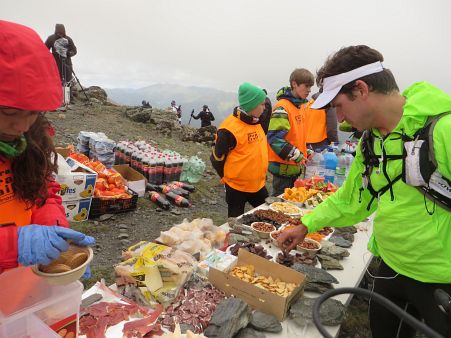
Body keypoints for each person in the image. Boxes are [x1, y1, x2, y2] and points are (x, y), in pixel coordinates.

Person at [277, 45, 451, 338]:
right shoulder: (369, 142)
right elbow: (353, 200)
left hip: (442, 280)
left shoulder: (443, 129)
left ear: (360, 89)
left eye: (339, 106)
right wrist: (306, 224)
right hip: (391, 269)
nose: (341, 119)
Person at [0, 20, 94, 273]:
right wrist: (13, 245)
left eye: (32, 113)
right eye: (9, 111)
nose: (21, 125)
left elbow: (42, 190)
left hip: (20, 278)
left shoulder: (30, 138)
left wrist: (52, 229)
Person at [210, 83, 268, 217]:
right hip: (236, 188)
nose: (265, 108)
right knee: (235, 224)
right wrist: (228, 178)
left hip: (258, 185)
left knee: (268, 217)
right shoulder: (229, 129)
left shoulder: (256, 122)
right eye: (262, 104)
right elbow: (216, 158)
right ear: (251, 105)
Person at [267, 68, 314, 196]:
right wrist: (297, 154)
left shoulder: (300, 107)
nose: (309, 90)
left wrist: (306, 151)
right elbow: (274, 139)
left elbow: (296, 136)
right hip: (283, 169)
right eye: (306, 86)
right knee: (279, 205)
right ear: (294, 84)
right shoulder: (282, 108)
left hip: (294, 167)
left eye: (311, 87)